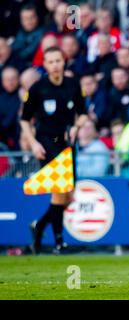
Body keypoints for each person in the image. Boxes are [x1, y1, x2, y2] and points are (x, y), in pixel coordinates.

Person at [20, 46, 88, 255]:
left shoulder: (73, 85)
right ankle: (59, 243)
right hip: (46, 142)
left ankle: (39, 226)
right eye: (50, 62)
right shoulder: (38, 88)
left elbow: (83, 113)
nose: (55, 65)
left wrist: (77, 126)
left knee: (69, 195)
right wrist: (33, 143)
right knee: (59, 191)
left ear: (64, 61)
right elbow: (24, 119)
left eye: (58, 61)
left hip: (67, 142)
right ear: (45, 65)